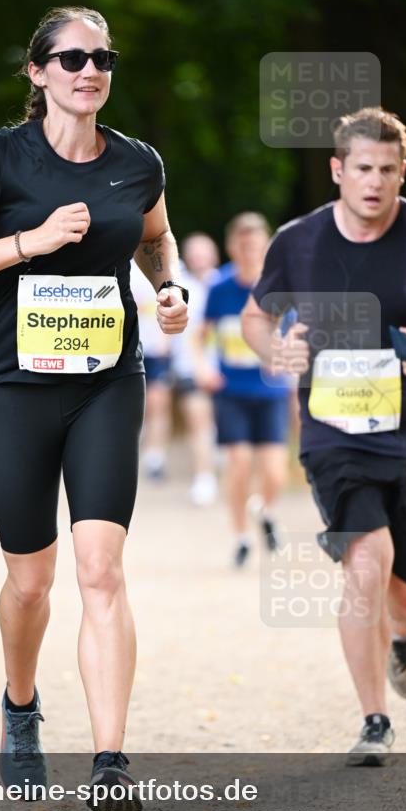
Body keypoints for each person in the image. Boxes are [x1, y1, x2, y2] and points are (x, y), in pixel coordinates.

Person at [0, 6, 188, 811]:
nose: (89, 70)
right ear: (37, 72)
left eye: (101, 58)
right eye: (71, 58)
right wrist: (27, 243)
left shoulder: (138, 162)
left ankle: (109, 762)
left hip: (107, 381)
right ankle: (20, 704)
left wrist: (167, 289)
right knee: (31, 583)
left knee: (101, 570)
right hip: (15, 389)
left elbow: (155, 239)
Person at [241, 107, 406, 764]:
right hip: (334, 435)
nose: (374, 182)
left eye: (387, 170)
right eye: (362, 168)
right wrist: (275, 350)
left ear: (402, 173)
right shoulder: (298, 242)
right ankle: (373, 720)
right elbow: (256, 318)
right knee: (365, 561)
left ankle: (402, 636)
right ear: (337, 169)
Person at [196, 214, 291, 566]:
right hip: (231, 391)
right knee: (238, 464)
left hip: (270, 392)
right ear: (232, 247)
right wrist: (203, 367)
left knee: (275, 472)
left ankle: (264, 510)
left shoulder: (279, 286)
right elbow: (200, 337)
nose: (250, 251)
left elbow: (296, 333)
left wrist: (282, 355)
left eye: (256, 245)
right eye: (244, 245)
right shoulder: (219, 288)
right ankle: (241, 536)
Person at [170, 232, 219, 506]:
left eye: (204, 252)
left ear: (214, 255)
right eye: (194, 252)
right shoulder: (178, 287)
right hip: (188, 366)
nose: (199, 258)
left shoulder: (224, 284)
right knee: (198, 421)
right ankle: (204, 477)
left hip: (226, 369)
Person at [130, 259, 173, 480]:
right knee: (130, 404)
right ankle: (129, 449)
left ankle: (155, 456)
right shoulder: (119, 260)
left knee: (158, 403)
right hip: (126, 347)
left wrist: (166, 341)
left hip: (156, 349)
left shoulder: (163, 262)